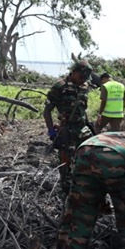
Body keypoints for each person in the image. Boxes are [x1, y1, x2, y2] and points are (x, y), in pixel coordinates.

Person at [43, 58, 96, 194]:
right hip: (67, 133)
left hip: (83, 133)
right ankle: (67, 199)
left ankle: (82, 195)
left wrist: (90, 126)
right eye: (81, 76)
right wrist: (51, 133)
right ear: (74, 71)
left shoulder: (84, 87)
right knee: (66, 170)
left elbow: (82, 109)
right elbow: (47, 111)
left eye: (85, 77)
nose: (83, 79)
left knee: (87, 166)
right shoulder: (60, 86)